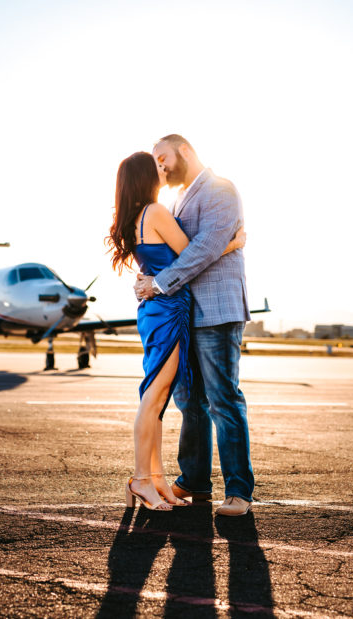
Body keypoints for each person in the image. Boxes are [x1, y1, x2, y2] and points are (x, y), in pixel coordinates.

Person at [107, 151, 246, 511]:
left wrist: (151, 281)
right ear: (144, 176)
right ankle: (142, 480)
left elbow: (167, 260)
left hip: (160, 310)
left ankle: (156, 481)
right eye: (155, 164)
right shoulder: (155, 211)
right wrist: (233, 243)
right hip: (168, 311)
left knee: (158, 397)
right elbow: (193, 253)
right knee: (154, 399)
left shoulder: (140, 214)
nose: (162, 168)